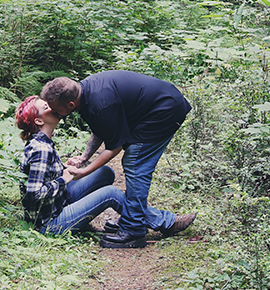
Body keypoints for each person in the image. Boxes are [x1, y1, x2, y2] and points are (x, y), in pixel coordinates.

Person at [41, 71, 196, 249]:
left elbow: (114, 147)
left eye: (54, 108)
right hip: (155, 107)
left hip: (164, 110)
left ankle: (133, 231)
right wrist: (85, 157)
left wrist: (85, 170)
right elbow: (102, 127)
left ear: (70, 104)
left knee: (135, 163)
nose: (53, 111)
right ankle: (137, 219)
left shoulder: (100, 102)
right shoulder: (85, 93)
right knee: (133, 162)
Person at [16, 95, 127, 235]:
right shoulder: (41, 149)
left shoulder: (43, 142)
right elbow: (34, 193)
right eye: (46, 107)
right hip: (50, 224)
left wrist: (64, 168)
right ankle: (151, 220)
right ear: (38, 120)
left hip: (60, 203)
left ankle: (83, 221)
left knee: (105, 172)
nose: (52, 107)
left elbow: (44, 176)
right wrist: (63, 179)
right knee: (110, 193)